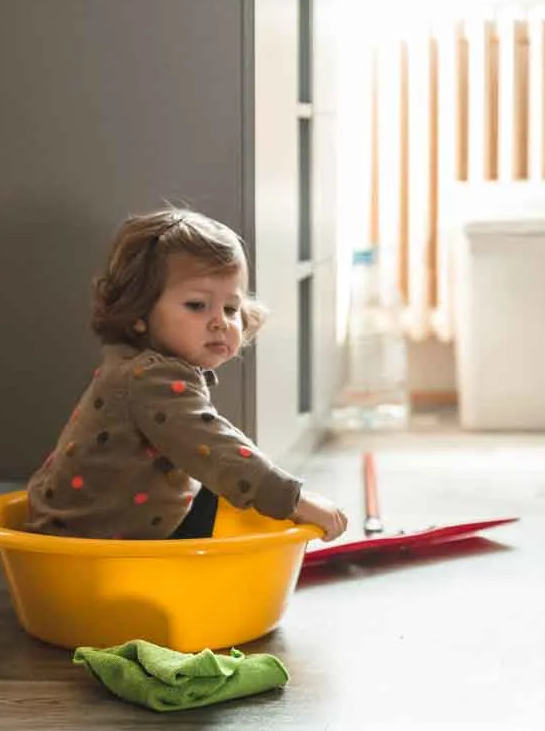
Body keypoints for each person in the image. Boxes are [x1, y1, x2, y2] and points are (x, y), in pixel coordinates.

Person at [27, 208, 347, 544]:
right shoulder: (150, 378)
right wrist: (292, 500)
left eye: (230, 308)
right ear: (139, 313)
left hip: (92, 528)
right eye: (197, 305)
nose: (221, 323)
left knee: (218, 477)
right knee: (221, 464)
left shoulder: (138, 366)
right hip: (91, 548)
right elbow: (214, 445)